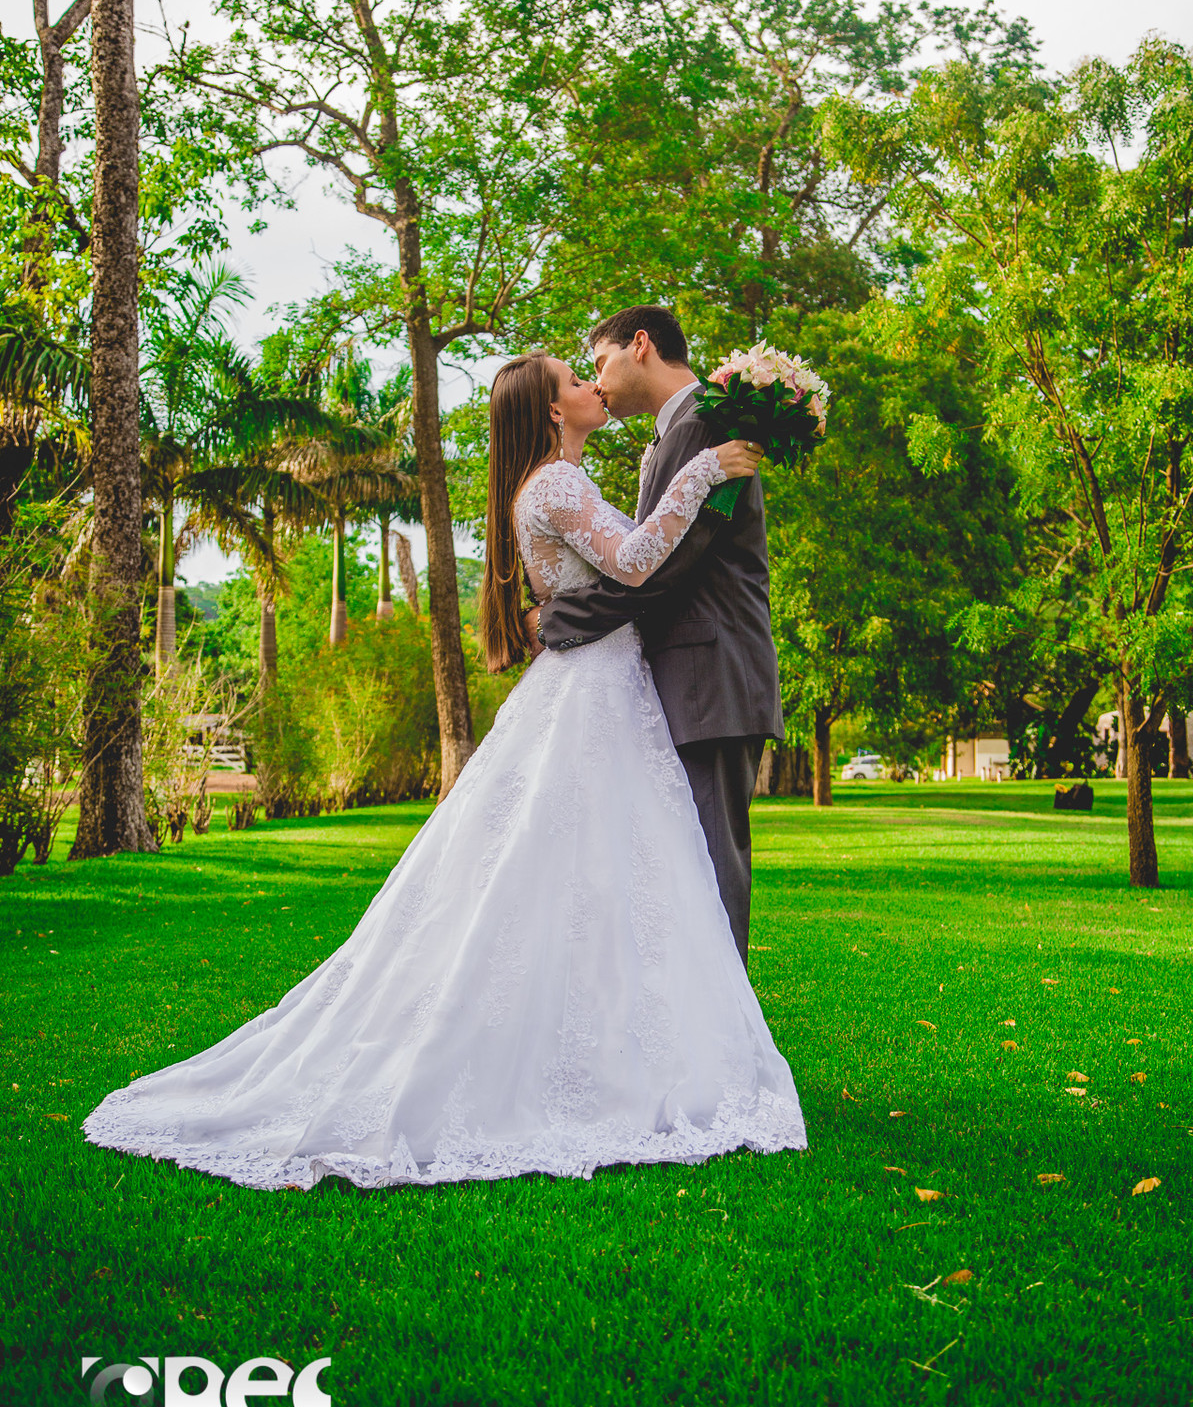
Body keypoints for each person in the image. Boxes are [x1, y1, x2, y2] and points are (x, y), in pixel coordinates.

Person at [83, 351, 806, 1191]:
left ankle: (618, 1047)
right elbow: (638, 563)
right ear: (548, 410)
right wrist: (707, 471)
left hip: (605, 689)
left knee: (603, 883)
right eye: (573, 380)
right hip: (593, 695)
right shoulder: (556, 487)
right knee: (591, 876)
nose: (589, 385)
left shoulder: (554, 482)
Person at [527, 305, 784, 966]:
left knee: (707, 863)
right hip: (681, 679)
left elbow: (664, 572)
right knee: (677, 866)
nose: (598, 382)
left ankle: (724, 1048)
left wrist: (560, 622)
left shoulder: (709, 424)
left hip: (710, 678)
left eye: (601, 363)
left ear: (640, 345)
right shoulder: (675, 436)